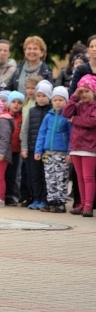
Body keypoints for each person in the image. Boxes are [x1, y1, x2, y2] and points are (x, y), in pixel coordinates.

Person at [62, 74, 96, 217]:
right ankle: (81, 203)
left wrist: (75, 119)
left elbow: (92, 121)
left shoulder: (94, 106)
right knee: (79, 177)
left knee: (88, 177)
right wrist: (74, 96)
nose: (84, 94)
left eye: (87, 91)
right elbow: (66, 113)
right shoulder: (78, 105)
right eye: (81, 91)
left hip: (90, 147)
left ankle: (89, 205)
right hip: (76, 146)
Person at [35, 86, 72, 213]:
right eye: (55, 100)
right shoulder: (48, 116)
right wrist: (38, 150)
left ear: (66, 101)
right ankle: (51, 201)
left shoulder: (67, 117)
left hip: (61, 153)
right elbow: (42, 133)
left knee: (61, 178)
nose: (57, 102)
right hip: (48, 153)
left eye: (61, 100)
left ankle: (60, 202)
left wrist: (69, 152)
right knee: (50, 178)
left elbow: (71, 135)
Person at [23, 80, 53, 210]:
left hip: (46, 151)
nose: (41, 99)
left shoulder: (51, 112)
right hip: (31, 149)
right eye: (39, 96)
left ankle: (44, 199)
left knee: (45, 175)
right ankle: (36, 199)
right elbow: (25, 130)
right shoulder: (32, 111)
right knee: (34, 175)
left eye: (44, 96)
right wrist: (24, 147)